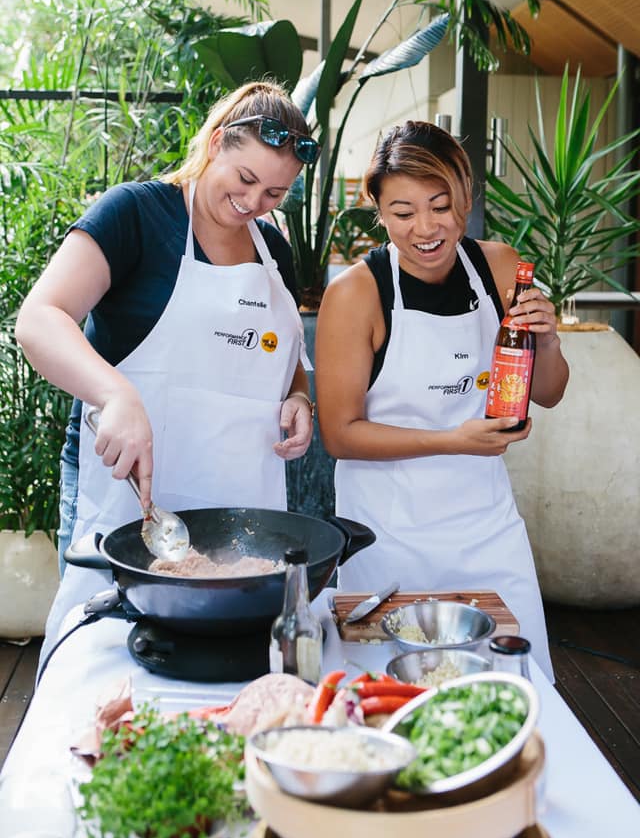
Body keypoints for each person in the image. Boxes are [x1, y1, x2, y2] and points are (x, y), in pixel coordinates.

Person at [16, 80, 318, 663]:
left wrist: (300, 399)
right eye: (246, 179)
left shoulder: (273, 250)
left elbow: (289, 364)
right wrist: (115, 393)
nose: (254, 203)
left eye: (275, 192)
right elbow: (38, 320)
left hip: (240, 522)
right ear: (214, 142)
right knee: (102, 669)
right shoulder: (136, 214)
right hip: (134, 508)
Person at [315, 121, 569, 680]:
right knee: (386, 696)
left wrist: (547, 339)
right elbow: (339, 433)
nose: (426, 229)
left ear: (466, 196)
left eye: (441, 206)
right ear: (376, 210)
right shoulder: (355, 294)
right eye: (403, 213)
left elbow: (548, 391)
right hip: (386, 539)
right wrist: (454, 440)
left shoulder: (498, 267)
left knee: (522, 689)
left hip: (487, 530)